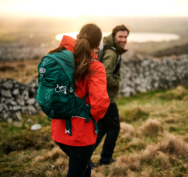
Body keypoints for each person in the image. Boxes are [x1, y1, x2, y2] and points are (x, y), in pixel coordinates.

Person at [50, 24, 110, 177]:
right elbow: (99, 106)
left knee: (85, 168)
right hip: (80, 138)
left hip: (59, 132)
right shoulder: (95, 67)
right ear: (97, 45)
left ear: (77, 38)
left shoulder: (63, 62)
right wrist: (89, 118)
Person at [93, 25, 129, 166]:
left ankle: (85, 158)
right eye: (120, 36)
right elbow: (105, 75)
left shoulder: (107, 48)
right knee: (114, 128)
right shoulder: (112, 53)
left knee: (102, 128)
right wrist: (117, 83)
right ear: (114, 36)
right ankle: (105, 159)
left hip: (101, 96)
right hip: (107, 98)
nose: (123, 39)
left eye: (125, 37)